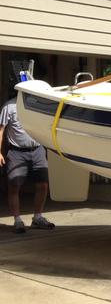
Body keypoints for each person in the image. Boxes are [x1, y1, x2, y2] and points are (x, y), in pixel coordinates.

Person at [0, 90, 55, 234]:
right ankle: (17, 220)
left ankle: (37, 217)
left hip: (37, 149)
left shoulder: (37, 105)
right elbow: (1, 130)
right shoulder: (9, 107)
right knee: (14, 186)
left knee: (43, 184)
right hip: (16, 152)